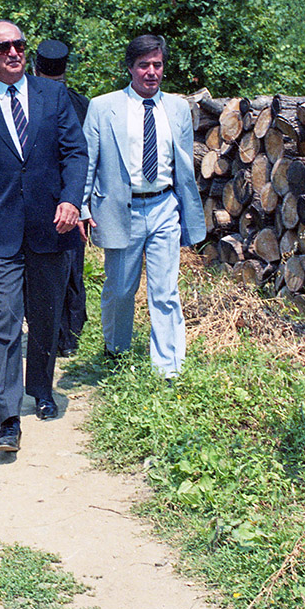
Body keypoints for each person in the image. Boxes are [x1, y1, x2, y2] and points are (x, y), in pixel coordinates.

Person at [0, 20, 87, 453]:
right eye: (3, 47)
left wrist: (71, 200)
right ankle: (8, 417)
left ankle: (41, 389)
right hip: (0, 227)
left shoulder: (54, 95)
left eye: (19, 45)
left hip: (53, 223)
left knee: (45, 316)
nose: (14, 52)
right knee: (6, 320)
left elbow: (75, 152)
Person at [80, 34, 206, 380]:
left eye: (157, 65)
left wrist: (184, 209)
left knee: (165, 290)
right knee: (120, 288)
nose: (151, 72)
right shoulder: (103, 107)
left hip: (164, 206)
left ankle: (169, 366)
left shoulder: (178, 107)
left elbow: (182, 163)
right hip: (122, 209)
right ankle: (116, 349)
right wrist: (82, 207)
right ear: (130, 68)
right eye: (144, 65)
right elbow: (88, 161)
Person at [35, 40, 89, 357]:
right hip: (73, 198)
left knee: (43, 271)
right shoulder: (81, 103)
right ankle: (70, 334)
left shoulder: (27, 100)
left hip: (43, 198)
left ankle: (55, 334)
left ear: (35, 67)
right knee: (72, 268)